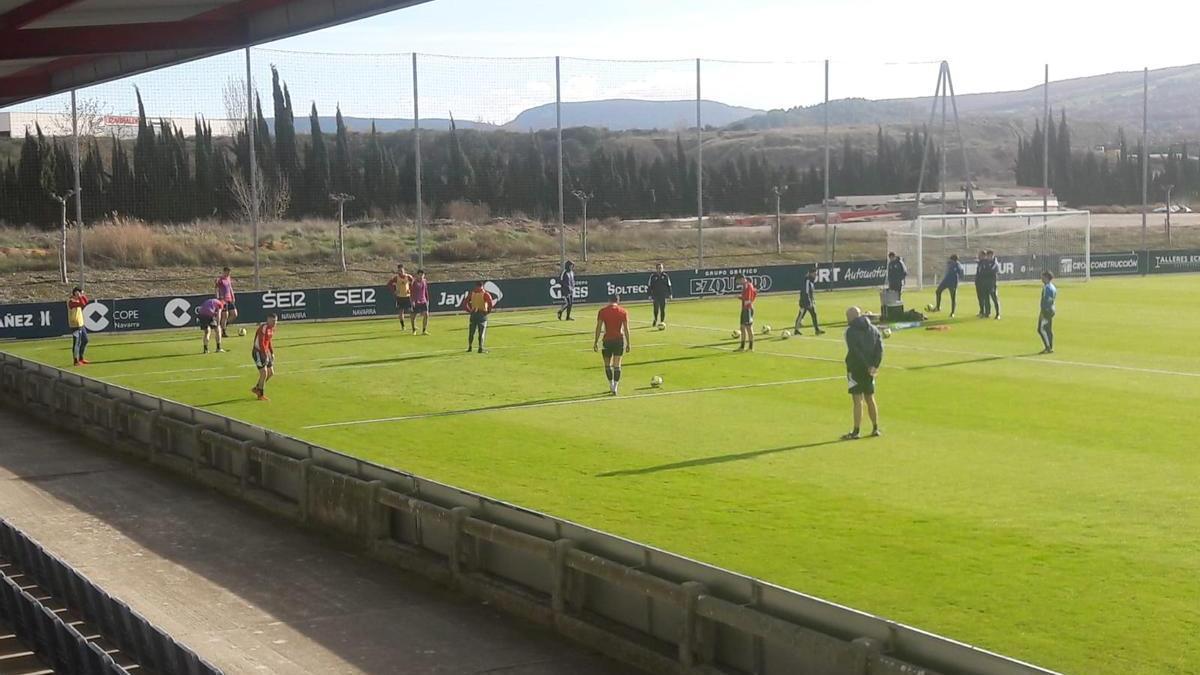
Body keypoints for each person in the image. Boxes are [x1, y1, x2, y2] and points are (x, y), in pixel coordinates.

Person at [841, 306, 883, 440]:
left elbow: (855, 351)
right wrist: (874, 366)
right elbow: (879, 349)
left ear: (851, 317)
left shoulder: (850, 331)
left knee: (857, 399)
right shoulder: (874, 329)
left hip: (856, 368)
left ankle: (856, 431)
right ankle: (875, 428)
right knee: (870, 397)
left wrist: (866, 365)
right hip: (870, 370)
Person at [593, 293, 631, 396]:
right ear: (618, 301)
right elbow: (626, 329)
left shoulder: (602, 311)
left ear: (609, 300)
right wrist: (628, 343)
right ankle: (616, 386)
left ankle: (610, 384)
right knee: (617, 364)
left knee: (607, 364)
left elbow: (598, 328)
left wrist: (596, 341)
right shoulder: (623, 312)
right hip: (619, 340)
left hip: (607, 340)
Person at [251, 313, 278, 401]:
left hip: (265, 352)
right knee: (264, 373)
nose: (275, 323)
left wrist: (272, 353)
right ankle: (260, 394)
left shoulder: (272, 329)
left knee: (271, 373)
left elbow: (268, 341)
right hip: (258, 353)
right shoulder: (264, 327)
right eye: (273, 321)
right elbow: (261, 342)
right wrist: (265, 354)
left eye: (276, 321)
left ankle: (257, 388)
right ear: (268, 320)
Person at [462, 280, 495, 353]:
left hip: (474, 313)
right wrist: (488, 311)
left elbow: (464, 303)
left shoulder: (472, 293)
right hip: (481, 313)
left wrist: (469, 311)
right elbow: (490, 303)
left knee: (471, 332)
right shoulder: (485, 294)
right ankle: (480, 347)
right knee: (481, 332)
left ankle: (470, 347)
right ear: (482, 286)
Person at [794, 268, 824, 335]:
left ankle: (816, 330)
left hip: (808, 301)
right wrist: (809, 301)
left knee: (812, 314)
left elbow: (811, 292)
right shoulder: (807, 280)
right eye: (814, 274)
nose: (816, 275)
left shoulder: (811, 281)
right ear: (811, 273)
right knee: (801, 315)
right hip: (805, 301)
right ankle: (796, 330)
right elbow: (806, 291)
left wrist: (812, 300)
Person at [67, 286, 90, 366]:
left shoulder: (78, 299)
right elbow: (82, 304)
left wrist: (82, 295)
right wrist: (80, 296)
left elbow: (86, 301)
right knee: (77, 342)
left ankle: (81, 357)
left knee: (85, 340)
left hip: (81, 324)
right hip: (75, 325)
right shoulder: (71, 301)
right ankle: (75, 360)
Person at [387, 264, 414, 331]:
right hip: (400, 297)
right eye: (399, 271)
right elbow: (389, 284)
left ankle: (413, 325)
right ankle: (403, 326)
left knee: (411, 311)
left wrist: (410, 289)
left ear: (404, 270)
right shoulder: (396, 278)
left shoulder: (408, 277)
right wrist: (394, 291)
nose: (400, 272)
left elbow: (413, 283)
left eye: (401, 270)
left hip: (407, 296)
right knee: (401, 311)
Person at [736, 273, 757, 352]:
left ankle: (751, 347)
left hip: (747, 309)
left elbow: (748, 298)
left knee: (748, 328)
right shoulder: (747, 285)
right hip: (745, 308)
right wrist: (740, 297)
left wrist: (747, 302)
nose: (738, 283)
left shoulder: (747, 286)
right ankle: (742, 347)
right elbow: (754, 293)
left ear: (741, 279)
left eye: (738, 281)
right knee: (742, 327)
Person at [1038, 271, 1057, 354]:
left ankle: (1048, 347)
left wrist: (1042, 312)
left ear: (1046, 278)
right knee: (1048, 329)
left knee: (1041, 329)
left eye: (1043, 277)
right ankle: (1050, 346)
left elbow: (1045, 301)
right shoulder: (1053, 287)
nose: (1041, 278)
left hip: (1047, 311)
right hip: (1052, 310)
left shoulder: (1046, 288)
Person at [215, 267, 238, 338]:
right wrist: (218, 298)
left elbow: (230, 287)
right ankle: (223, 332)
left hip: (229, 299)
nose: (228, 274)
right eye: (227, 272)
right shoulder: (220, 280)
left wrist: (233, 296)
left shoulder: (228, 278)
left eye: (229, 272)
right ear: (224, 272)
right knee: (225, 315)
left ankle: (224, 326)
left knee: (234, 314)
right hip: (223, 300)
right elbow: (216, 289)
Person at [411, 269, 430, 335]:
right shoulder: (414, 282)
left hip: (423, 300)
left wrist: (427, 299)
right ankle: (413, 330)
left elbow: (426, 291)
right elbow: (412, 292)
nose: (421, 276)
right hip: (416, 301)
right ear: (417, 275)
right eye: (420, 275)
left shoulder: (424, 281)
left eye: (422, 275)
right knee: (413, 316)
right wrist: (413, 301)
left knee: (426, 315)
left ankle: (424, 330)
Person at [984, 249, 1001, 319]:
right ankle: (987, 313)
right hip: (986, 283)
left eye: (990, 256)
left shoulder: (995, 263)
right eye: (988, 256)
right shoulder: (985, 262)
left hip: (992, 284)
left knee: (995, 299)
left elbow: (991, 272)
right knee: (986, 299)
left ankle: (998, 314)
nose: (989, 257)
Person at [973, 249, 990, 317]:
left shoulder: (986, 263)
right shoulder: (980, 263)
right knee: (980, 298)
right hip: (978, 283)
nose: (978, 256)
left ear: (983, 255)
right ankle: (982, 311)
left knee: (985, 298)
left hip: (983, 283)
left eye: (979, 255)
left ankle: (986, 312)